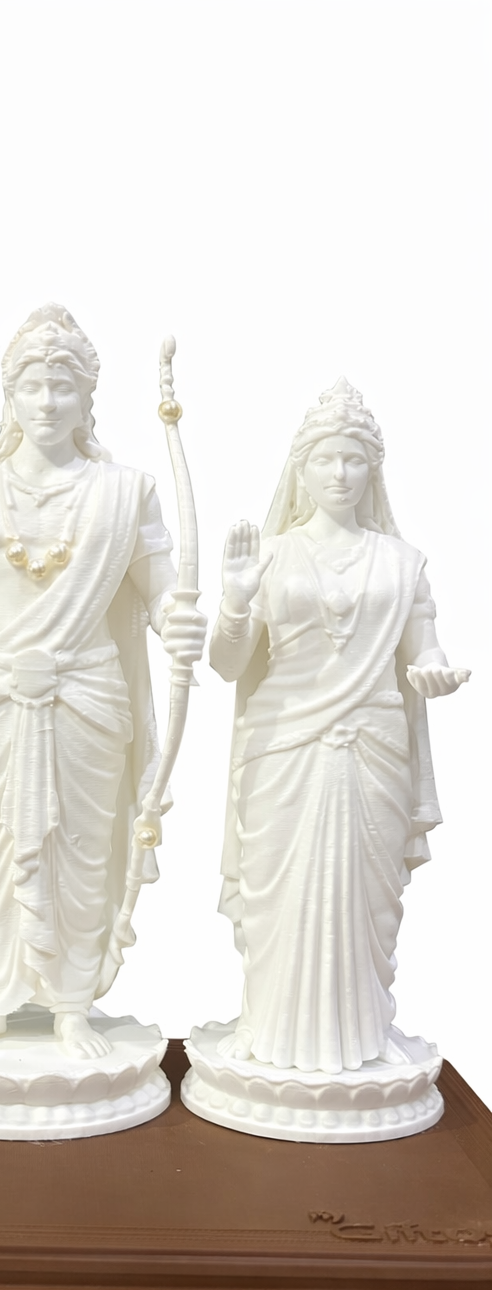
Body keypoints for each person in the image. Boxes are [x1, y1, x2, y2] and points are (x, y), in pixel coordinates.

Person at [0, 304, 205, 1060]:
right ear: (10, 395)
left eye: (64, 386)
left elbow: (162, 592)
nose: (48, 401)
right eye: (32, 385)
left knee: (82, 850)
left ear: (88, 396)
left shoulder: (126, 490)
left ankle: (71, 1005)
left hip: (85, 695)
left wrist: (180, 621)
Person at [210, 379, 469, 1074]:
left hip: (374, 748)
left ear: (373, 469)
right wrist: (234, 600)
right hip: (283, 746)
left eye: (354, 459)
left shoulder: (403, 562)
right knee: (280, 896)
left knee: (366, 901)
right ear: (301, 468)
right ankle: (268, 1028)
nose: (340, 473)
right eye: (325, 459)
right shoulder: (269, 555)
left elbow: (424, 649)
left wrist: (434, 673)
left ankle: (362, 1036)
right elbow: (228, 664)